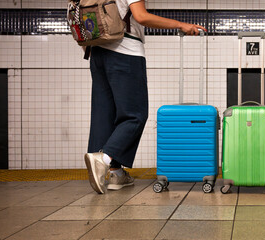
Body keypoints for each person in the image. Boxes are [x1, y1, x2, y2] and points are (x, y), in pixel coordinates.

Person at [84, 0, 207, 194]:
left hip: (97, 53)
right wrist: (181, 25)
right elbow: (141, 16)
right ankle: (104, 159)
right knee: (135, 115)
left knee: (105, 114)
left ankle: (115, 173)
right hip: (125, 52)